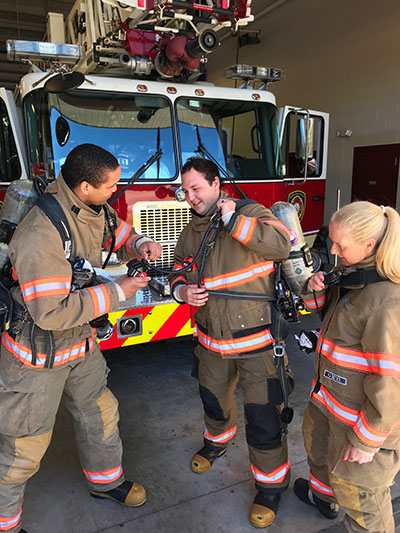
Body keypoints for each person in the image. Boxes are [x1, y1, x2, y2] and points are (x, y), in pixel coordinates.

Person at [0, 143, 162, 533]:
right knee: (25, 448)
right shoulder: (41, 233)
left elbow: (116, 229)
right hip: (37, 358)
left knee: (100, 414)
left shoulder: (90, 206)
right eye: (111, 187)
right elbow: (51, 313)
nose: (116, 193)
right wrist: (119, 290)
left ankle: (105, 483)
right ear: (86, 186)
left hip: (81, 346)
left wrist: (139, 243)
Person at [169, 157, 294, 528]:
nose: (191, 197)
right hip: (211, 342)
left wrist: (233, 220)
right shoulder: (190, 230)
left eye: (197, 188)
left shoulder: (253, 212)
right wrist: (180, 291)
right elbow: (178, 269)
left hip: (257, 346)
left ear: (216, 183)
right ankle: (216, 443)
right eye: (186, 190)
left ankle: (271, 488)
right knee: (213, 401)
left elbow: (281, 244)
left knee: (263, 419)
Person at [294, 201, 400, 532]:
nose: (334, 251)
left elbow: (392, 382)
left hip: (359, 425)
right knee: (320, 459)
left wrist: (367, 441)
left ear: (369, 246)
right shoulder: (355, 277)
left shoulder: (386, 302)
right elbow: (328, 320)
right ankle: (323, 499)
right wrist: (315, 291)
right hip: (329, 405)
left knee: (363, 502)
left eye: (341, 245)